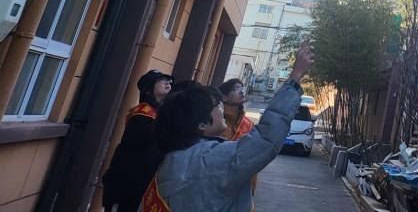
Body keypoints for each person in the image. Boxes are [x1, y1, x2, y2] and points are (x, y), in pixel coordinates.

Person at [143, 44, 314, 211]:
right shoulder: (211, 159)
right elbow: (267, 138)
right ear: (202, 124)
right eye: (217, 105)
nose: (222, 108)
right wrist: (295, 77)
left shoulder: (170, 161)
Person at [102, 69, 173, 212]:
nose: (168, 83)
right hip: (127, 181)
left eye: (169, 81)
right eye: (162, 80)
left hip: (140, 181)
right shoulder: (142, 113)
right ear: (148, 88)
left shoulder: (159, 111)